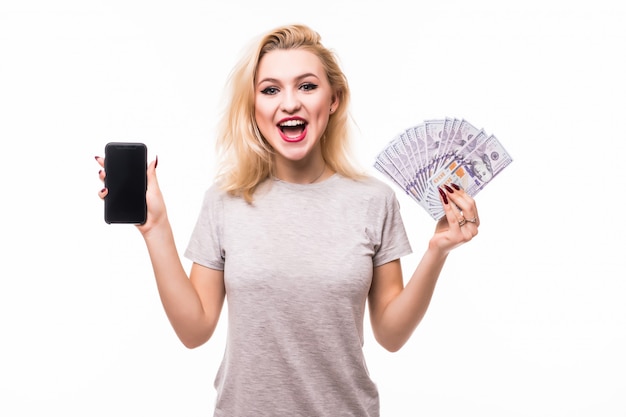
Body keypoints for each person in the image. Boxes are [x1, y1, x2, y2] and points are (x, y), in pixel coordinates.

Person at [95, 24, 480, 417]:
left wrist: (437, 251)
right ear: (253, 106)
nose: (290, 103)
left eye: (307, 86)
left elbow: (392, 334)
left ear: (334, 100)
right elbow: (195, 330)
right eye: (270, 89)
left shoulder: (374, 200)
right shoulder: (224, 201)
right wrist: (155, 227)